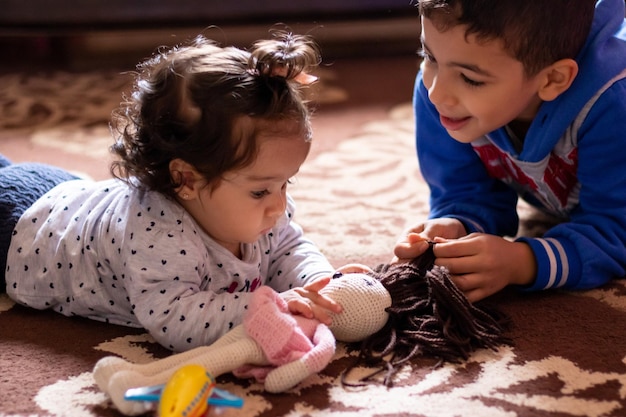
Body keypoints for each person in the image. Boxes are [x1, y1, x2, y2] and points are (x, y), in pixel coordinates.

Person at [1, 32, 365, 352]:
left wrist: (319, 282)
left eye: (286, 183)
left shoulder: (261, 205)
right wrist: (271, 307)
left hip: (68, 193)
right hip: (19, 230)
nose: (279, 205)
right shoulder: (159, 234)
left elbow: (288, 248)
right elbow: (174, 318)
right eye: (260, 192)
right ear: (186, 180)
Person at [394, 0, 626, 302]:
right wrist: (457, 223)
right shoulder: (444, 96)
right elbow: (464, 190)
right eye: (429, 56)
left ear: (553, 79)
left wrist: (524, 262)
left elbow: (617, 230)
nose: (436, 91)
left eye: (470, 79)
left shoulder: (612, 106)